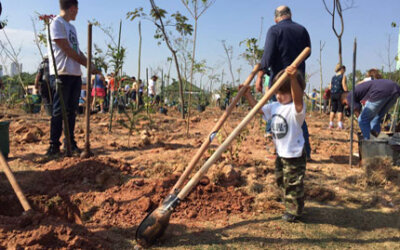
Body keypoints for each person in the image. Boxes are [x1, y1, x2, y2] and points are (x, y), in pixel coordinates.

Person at [242, 65, 307, 222]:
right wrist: (247, 94)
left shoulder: (296, 108)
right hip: (281, 153)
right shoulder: (275, 106)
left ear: (292, 91)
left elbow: (297, 98)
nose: (278, 96)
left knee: (293, 183)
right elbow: (258, 109)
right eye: (276, 92)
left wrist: (292, 79)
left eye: (283, 93)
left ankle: (294, 212)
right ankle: (292, 202)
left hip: (294, 153)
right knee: (281, 180)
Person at [255, 5, 312, 161]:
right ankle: (305, 151)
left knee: (278, 115)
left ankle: (278, 151)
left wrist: (260, 76)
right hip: (297, 80)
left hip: (280, 81)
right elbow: (308, 52)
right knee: (297, 114)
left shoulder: (274, 30)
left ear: (276, 18)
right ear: (290, 15)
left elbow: (267, 57)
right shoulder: (302, 30)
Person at [46, 0, 98, 156]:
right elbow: (67, 49)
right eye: (77, 9)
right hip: (62, 73)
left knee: (71, 112)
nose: (77, 12)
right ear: (72, 8)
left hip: (75, 74)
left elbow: (76, 50)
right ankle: (53, 146)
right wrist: (87, 63)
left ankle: (70, 143)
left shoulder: (72, 27)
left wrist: (89, 63)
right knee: (58, 111)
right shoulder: (56, 23)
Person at [328, 64, 347, 129]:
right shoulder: (343, 76)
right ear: (342, 69)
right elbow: (344, 85)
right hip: (340, 94)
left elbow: (330, 87)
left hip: (333, 94)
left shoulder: (333, 77)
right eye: (344, 70)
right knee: (340, 109)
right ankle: (339, 125)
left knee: (333, 109)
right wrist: (347, 92)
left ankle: (331, 124)